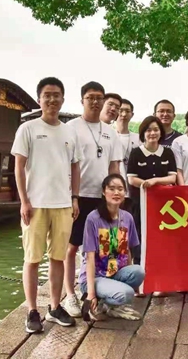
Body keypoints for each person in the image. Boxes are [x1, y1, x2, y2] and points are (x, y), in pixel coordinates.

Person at [12, 77, 80, 333]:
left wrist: (75, 198)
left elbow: (75, 166)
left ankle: (54, 306)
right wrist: (24, 201)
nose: (52, 100)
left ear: (63, 99)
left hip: (63, 204)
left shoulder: (69, 131)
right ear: (39, 99)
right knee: (32, 258)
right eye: (47, 95)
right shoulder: (28, 129)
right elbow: (19, 166)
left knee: (57, 257)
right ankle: (32, 310)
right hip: (35, 204)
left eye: (56, 95)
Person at [63, 82, 122, 318]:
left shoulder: (110, 132)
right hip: (77, 196)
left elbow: (114, 166)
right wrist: (71, 196)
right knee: (72, 246)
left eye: (99, 97)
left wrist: (115, 196)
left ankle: (102, 296)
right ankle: (70, 295)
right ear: (82, 100)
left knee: (106, 247)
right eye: (90, 97)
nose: (95, 101)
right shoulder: (70, 128)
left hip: (101, 198)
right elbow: (64, 163)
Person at [79, 174, 145, 321]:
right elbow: (89, 257)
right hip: (95, 277)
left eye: (120, 189)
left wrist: (132, 281)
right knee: (126, 293)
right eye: (112, 189)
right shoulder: (93, 219)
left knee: (138, 272)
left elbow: (127, 250)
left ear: (125, 192)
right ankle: (102, 302)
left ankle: (110, 304)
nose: (116, 193)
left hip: (114, 272)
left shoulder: (127, 217)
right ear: (104, 192)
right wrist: (91, 294)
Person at [126, 116, 177, 264]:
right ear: (143, 133)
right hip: (140, 204)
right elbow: (131, 179)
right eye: (148, 130)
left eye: (156, 130)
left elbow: (172, 178)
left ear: (161, 132)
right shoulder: (136, 153)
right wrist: (145, 185)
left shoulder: (168, 153)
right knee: (139, 236)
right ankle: (139, 268)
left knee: (161, 236)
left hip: (163, 205)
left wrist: (155, 182)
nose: (152, 133)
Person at [115, 99, 141, 208]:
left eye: (127, 111)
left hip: (133, 190)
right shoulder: (109, 135)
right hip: (114, 190)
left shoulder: (139, 138)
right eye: (120, 110)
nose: (124, 114)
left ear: (132, 114)